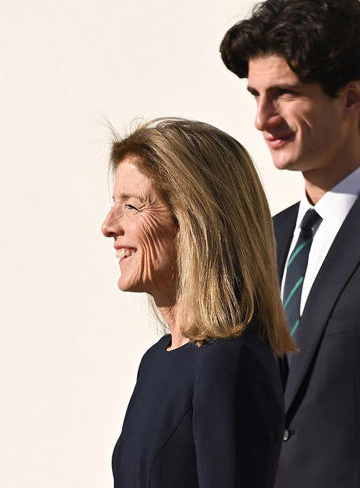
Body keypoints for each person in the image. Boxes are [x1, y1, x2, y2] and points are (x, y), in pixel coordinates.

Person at [220, 0, 360, 488]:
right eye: (256, 95)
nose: (262, 118)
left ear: (352, 97)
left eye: (283, 93)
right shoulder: (260, 240)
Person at [101, 118, 295, 488]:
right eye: (114, 204)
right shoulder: (157, 360)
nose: (109, 226)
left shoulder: (228, 362)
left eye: (132, 206)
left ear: (194, 222)